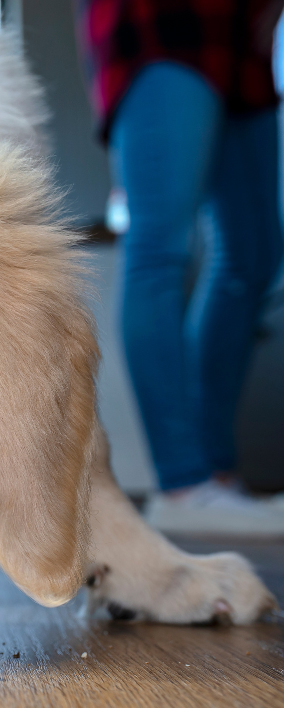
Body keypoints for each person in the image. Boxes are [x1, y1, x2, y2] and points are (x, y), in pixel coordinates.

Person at [76, 0, 284, 530]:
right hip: (159, 20)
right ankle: (183, 483)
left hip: (240, 35)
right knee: (160, 250)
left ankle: (214, 476)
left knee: (254, 258)